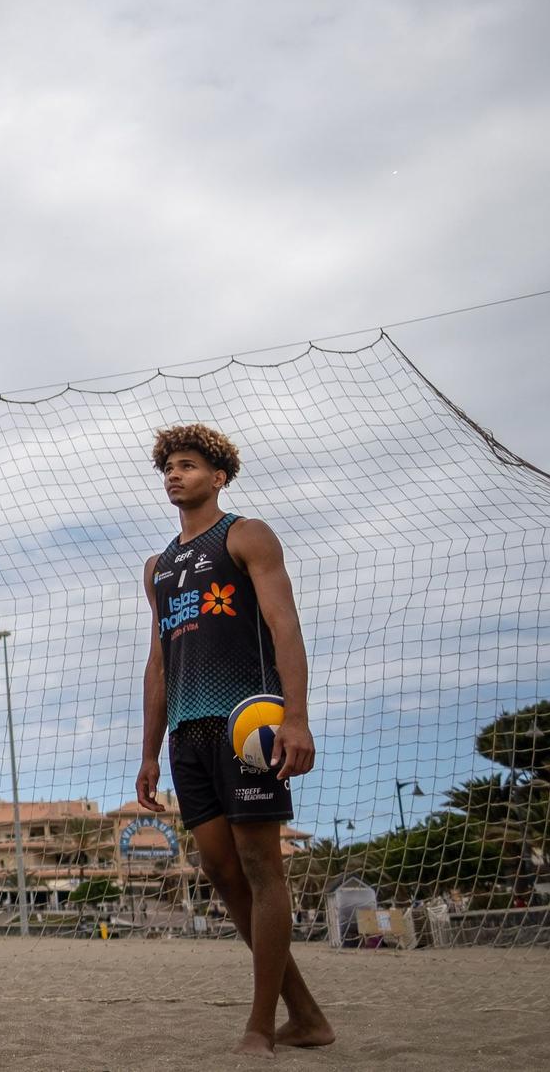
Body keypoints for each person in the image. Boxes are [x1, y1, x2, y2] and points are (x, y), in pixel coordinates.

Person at [135, 426, 335, 1057]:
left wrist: (296, 718)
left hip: (247, 723)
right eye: (168, 466)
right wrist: (147, 750)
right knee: (221, 872)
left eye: (187, 465)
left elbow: (284, 625)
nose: (174, 474)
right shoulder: (158, 566)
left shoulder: (247, 535)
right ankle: (304, 1016)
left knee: (261, 867)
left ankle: (259, 1026)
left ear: (218, 477)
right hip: (187, 734)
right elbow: (159, 662)